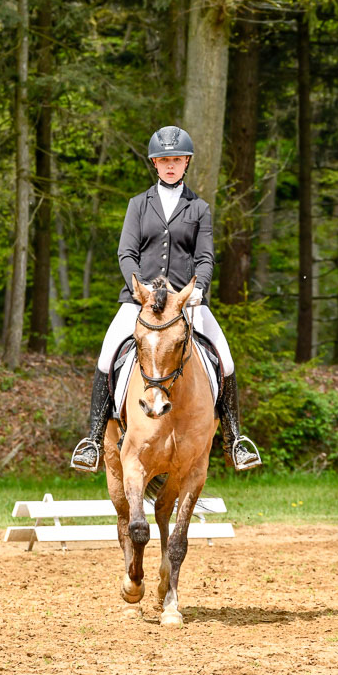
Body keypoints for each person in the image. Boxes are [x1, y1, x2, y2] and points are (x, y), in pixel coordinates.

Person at [71, 125, 259, 472]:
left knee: (226, 359)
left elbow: (205, 257)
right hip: (140, 300)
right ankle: (93, 440)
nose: (170, 165)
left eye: (176, 159)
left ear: (185, 162)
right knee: (107, 354)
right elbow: (126, 252)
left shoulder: (199, 208)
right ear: (154, 164)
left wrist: (198, 288)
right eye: (163, 160)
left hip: (185, 302)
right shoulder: (138, 205)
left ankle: (236, 440)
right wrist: (141, 288)